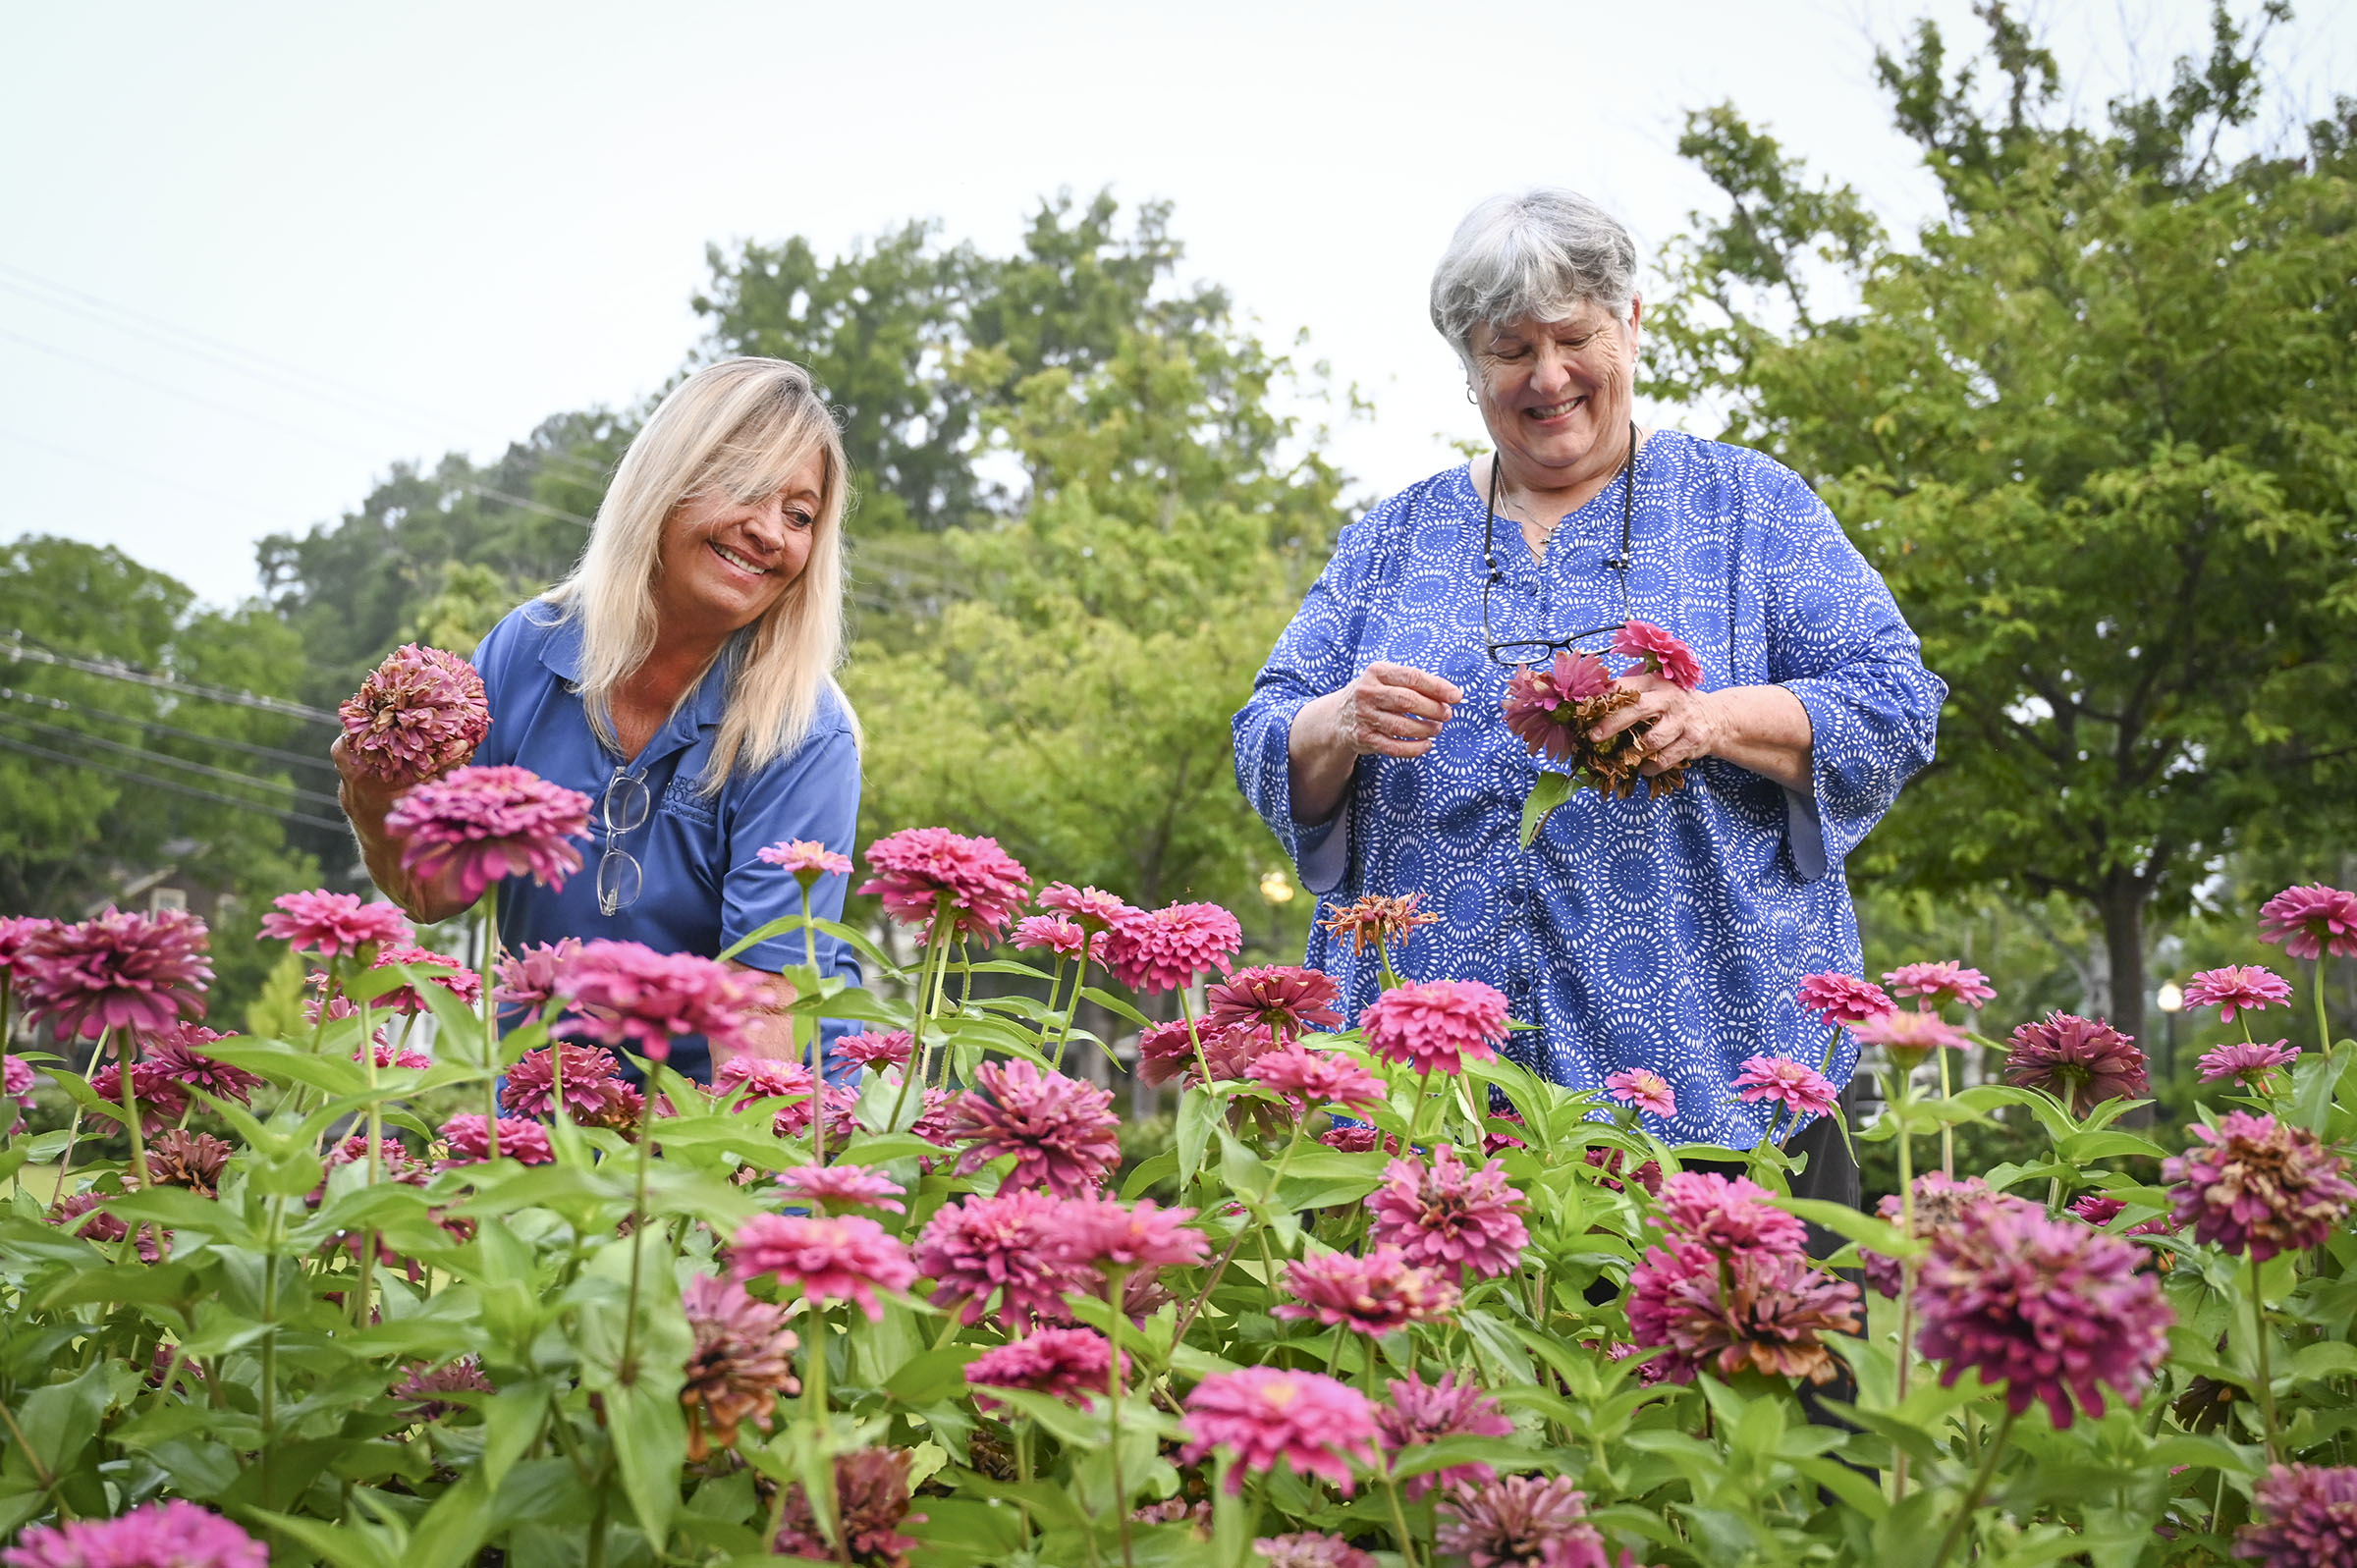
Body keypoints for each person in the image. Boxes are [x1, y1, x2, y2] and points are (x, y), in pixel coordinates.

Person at [1232, 189, 1946, 1202]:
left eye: (1574, 337)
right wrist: (1336, 722)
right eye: (1510, 348)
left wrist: (1711, 719)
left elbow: (1895, 699)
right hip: (1425, 1104)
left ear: (1632, 324)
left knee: (1734, 1307)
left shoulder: (1749, 507)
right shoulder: (1393, 537)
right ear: (1469, 364)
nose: (1548, 375)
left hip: (1712, 1084)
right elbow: (1264, 731)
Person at [336, 356, 863, 1081]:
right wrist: (373, 793)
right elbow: (434, 891)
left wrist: (717, 1155)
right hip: (550, 1095)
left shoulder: (806, 732)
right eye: (745, 487)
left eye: (800, 516)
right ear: (667, 481)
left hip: (742, 1110)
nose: (771, 532)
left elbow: (760, 1008)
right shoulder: (528, 649)